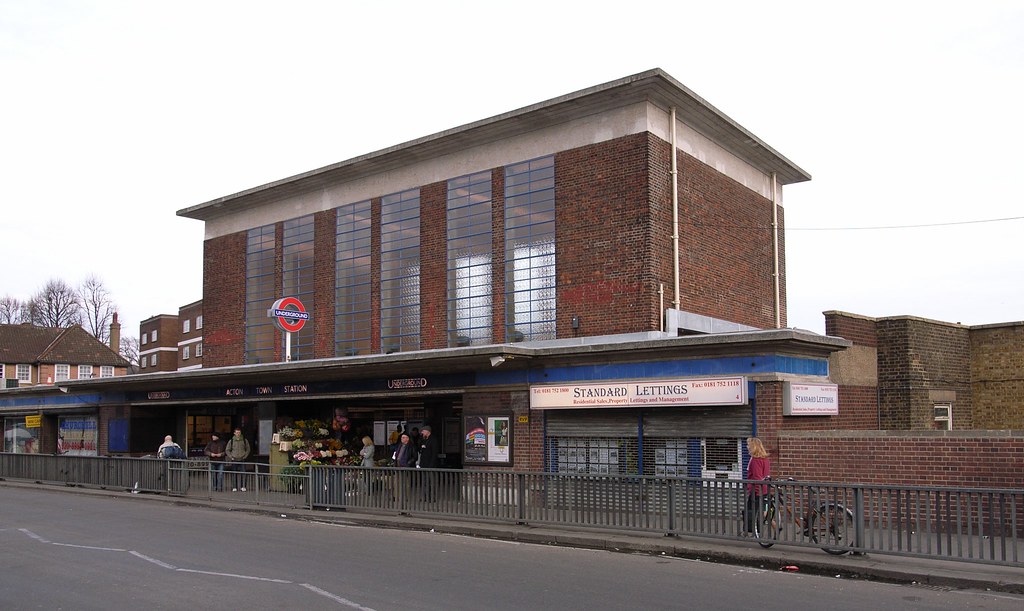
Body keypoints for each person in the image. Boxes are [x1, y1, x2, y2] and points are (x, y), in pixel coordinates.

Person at [744, 436, 771, 534]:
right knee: (763, 509)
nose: (747, 447)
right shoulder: (765, 459)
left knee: (752, 511)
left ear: (753, 447)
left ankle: (753, 531)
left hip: (757, 490)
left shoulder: (755, 460)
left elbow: (757, 477)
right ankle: (775, 526)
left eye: (749, 445)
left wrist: (755, 491)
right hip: (765, 489)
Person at [417, 425, 440, 501]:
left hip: (430, 465)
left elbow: (434, 454)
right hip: (423, 464)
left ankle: (432, 497)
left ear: (427, 431)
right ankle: (425, 496)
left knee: (431, 482)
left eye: (423, 431)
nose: (422, 433)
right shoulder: (424, 440)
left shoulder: (433, 440)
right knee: (424, 482)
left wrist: (431, 465)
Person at [226, 428, 251, 492]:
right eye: (237, 433)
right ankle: (234, 486)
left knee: (243, 473)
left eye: (239, 432)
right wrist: (231, 457)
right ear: (234, 433)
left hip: (242, 458)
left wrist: (245, 456)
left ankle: (243, 486)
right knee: (234, 473)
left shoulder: (244, 440)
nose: (238, 434)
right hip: (234, 459)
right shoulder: (231, 441)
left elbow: (248, 449)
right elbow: (227, 450)